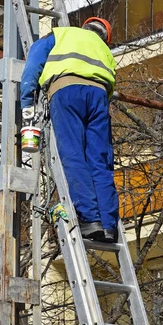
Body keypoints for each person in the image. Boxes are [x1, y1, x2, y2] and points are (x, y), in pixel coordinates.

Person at [20, 17, 119, 243]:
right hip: (99, 98)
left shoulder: (62, 34)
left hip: (66, 91)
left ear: (85, 27)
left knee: (73, 154)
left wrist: (27, 102)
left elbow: (34, 62)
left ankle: (90, 219)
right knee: (100, 160)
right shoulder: (105, 51)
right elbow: (111, 86)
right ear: (105, 37)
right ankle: (108, 225)